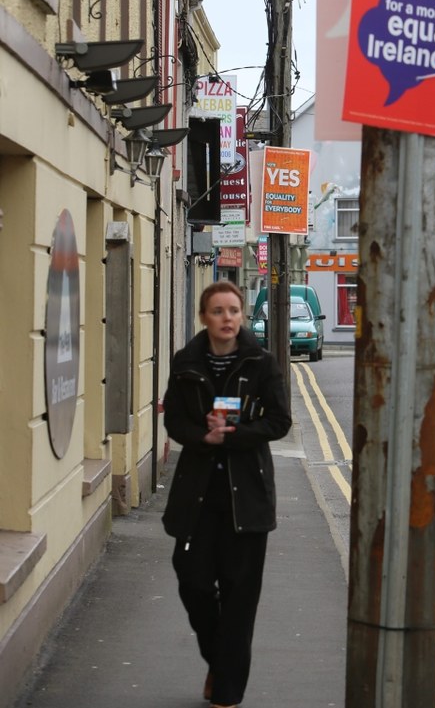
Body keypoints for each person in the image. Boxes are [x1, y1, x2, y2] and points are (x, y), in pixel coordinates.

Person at [162, 280, 292, 708]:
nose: (227, 318)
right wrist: (204, 437)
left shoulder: (261, 363)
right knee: (193, 584)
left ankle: (227, 694)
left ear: (241, 316)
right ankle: (219, 663)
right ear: (204, 316)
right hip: (197, 496)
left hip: (247, 499)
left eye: (233, 310)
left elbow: (279, 421)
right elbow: (175, 422)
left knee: (239, 601)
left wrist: (233, 436)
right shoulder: (186, 363)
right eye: (217, 311)